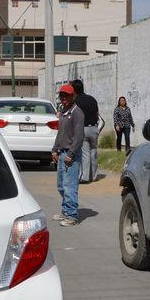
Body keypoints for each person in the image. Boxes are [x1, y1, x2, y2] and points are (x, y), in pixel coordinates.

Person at [51, 84, 85, 226]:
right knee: (61, 186)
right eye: (62, 96)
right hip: (61, 153)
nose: (64, 98)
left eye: (67, 96)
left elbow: (79, 136)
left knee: (70, 186)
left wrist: (71, 153)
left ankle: (72, 216)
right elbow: (60, 134)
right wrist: (54, 150)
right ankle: (65, 212)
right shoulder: (64, 112)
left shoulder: (77, 113)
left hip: (71, 155)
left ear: (73, 96)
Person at [71, 79, 100, 184]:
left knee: (85, 154)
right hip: (94, 128)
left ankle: (85, 177)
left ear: (74, 90)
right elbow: (97, 113)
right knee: (93, 153)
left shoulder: (76, 102)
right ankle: (94, 176)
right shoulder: (92, 99)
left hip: (83, 129)